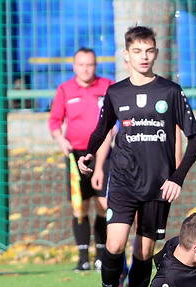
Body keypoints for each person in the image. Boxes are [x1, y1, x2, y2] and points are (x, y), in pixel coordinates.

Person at [78, 25, 196, 287]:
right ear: (126, 55)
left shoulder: (170, 92)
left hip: (158, 186)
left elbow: (195, 137)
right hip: (123, 181)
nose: (143, 56)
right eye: (137, 51)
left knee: (144, 252)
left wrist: (177, 177)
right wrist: (89, 153)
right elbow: (102, 128)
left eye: (148, 51)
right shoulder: (116, 92)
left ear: (156, 53)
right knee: (115, 244)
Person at [49, 47, 113, 271]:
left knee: (104, 205)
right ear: (74, 66)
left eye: (90, 65)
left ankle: (102, 256)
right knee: (80, 206)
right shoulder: (65, 90)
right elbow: (54, 121)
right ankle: (83, 258)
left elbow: (111, 126)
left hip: (102, 154)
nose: (86, 69)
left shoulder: (107, 86)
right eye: (81, 65)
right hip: (75, 155)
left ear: (96, 65)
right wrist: (61, 140)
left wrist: (99, 166)